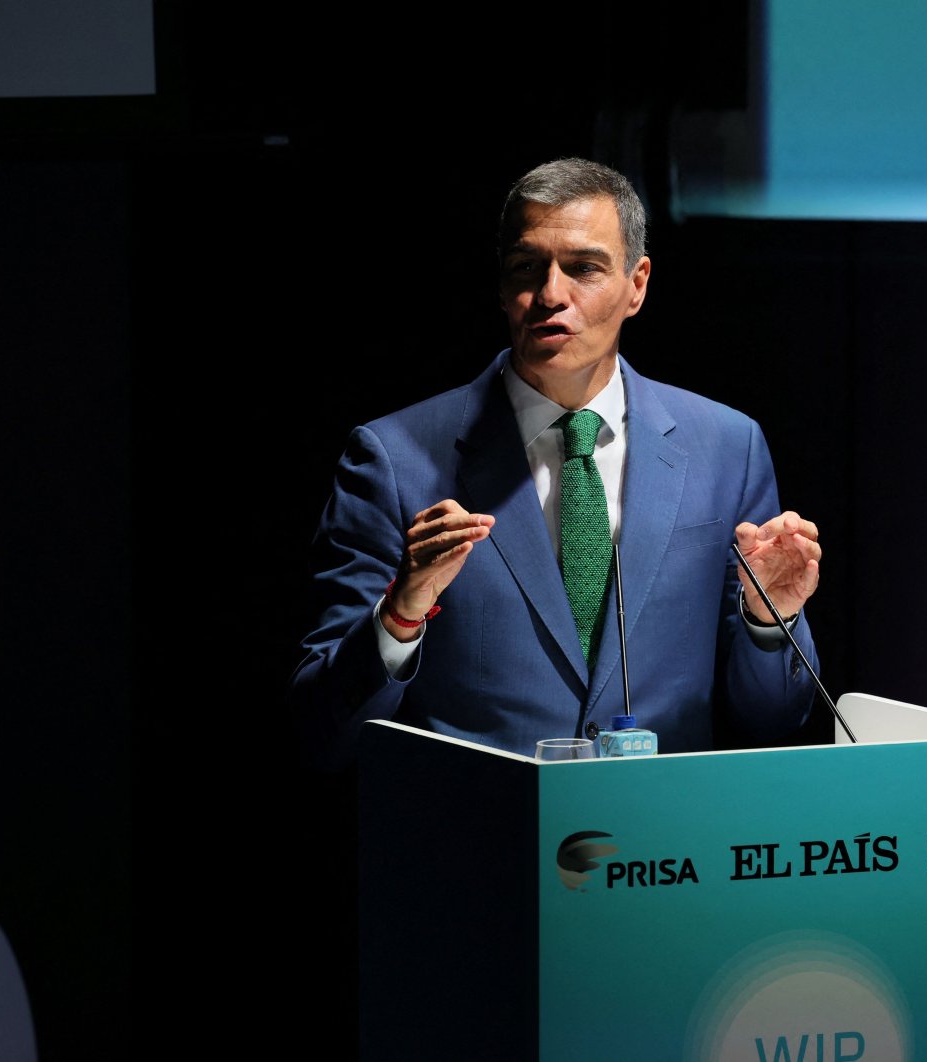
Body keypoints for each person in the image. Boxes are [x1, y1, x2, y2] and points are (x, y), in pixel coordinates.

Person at [292, 157, 821, 771]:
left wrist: (770, 622)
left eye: (583, 268)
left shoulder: (728, 447)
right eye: (526, 268)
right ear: (500, 288)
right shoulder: (393, 459)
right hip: (483, 844)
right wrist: (400, 616)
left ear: (637, 284)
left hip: (664, 847)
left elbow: (777, 722)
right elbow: (322, 727)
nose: (549, 295)